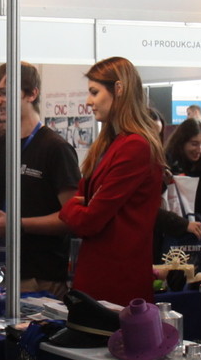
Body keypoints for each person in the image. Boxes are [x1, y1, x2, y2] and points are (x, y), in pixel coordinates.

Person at [59, 57, 165, 305]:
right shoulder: (110, 144)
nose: (88, 101)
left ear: (119, 89)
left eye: (95, 92)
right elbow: (84, 201)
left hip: (116, 283)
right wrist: (78, 207)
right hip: (99, 277)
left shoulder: (135, 146)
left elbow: (89, 220)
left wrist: (72, 208)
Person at [0, 62, 81, 297]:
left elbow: (73, 219)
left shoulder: (56, 149)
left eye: (4, 93)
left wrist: (17, 224)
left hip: (42, 278)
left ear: (32, 93)